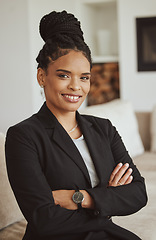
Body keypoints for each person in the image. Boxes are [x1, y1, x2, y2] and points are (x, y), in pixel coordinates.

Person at [5, 10, 147, 240]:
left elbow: (138, 194)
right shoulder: (23, 136)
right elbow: (44, 218)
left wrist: (78, 198)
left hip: (104, 234)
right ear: (42, 76)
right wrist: (106, 200)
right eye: (64, 75)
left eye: (84, 77)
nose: (76, 86)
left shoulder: (104, 128)